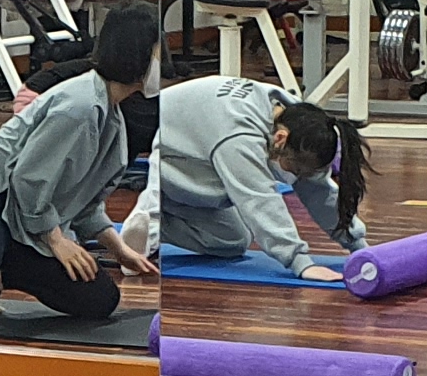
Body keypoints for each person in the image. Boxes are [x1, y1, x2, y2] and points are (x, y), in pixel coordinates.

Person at [0, 4, 162, 336]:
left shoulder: (111, 115)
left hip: (27, 222)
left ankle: (5, 271)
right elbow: (27, 180)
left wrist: (120, 251)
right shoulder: (79, 107)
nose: (161, 62)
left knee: (100, 298)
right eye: (157, 52)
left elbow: (85, 203)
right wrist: (57, 241)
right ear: (138, 55)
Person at [120, 73, 368, 281]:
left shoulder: (298, 119)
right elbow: (259, 200)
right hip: (169, 148)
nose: (299, 176)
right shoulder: (240, 136)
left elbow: (319, 190)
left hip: (198, 146)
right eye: (297, 168)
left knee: (233, 241)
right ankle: (146, 225)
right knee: (227, 189)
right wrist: (300, 262)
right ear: (280, 139)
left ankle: (153, 223)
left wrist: (358, 246)